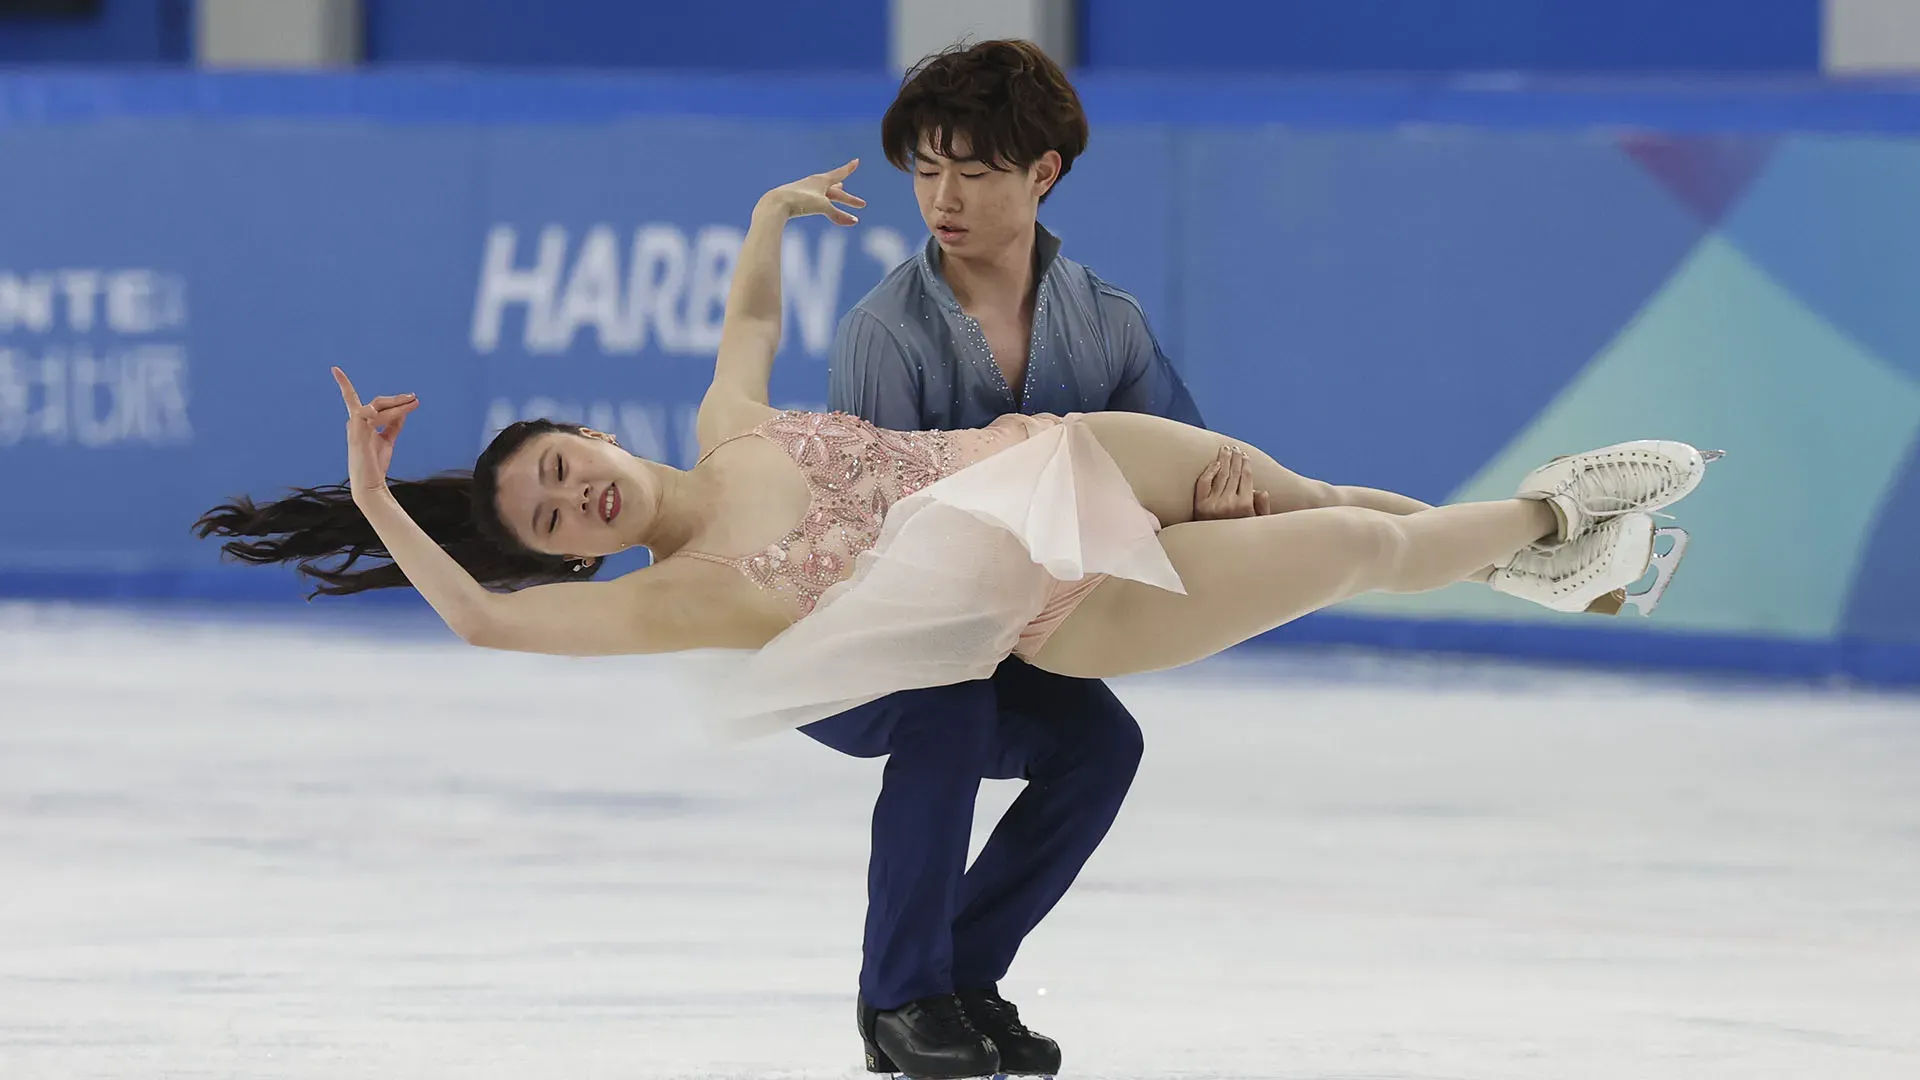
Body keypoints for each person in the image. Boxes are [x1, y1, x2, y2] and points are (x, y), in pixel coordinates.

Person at [198, 160, 1711, 1078]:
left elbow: (743, 326)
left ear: (587, 433)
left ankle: (962, 977)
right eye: (544, 518)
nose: (569, 497)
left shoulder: (731, 430)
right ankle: (1551, 520)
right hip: (1004, 619)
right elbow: (484, 629)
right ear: (569, 557)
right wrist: (382, 504)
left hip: (1054, 461)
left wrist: (769, 214)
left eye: (557, 467)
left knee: (1272, 534)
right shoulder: (676, 595)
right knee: (1333, 560)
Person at [804, 39, 1268, 1080]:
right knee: (948, 705)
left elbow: (1180, 464)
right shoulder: (888, 332)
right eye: (926, 169)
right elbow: (879, 544)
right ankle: (899, 1001)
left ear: (1042, 173)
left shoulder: (1105, 323)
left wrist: (1220, 505)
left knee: (1100, 747)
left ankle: (961, 976)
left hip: (1004, 629)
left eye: (973, 169)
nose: (943, 196)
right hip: (856, 630)